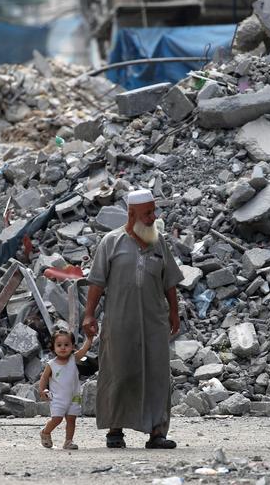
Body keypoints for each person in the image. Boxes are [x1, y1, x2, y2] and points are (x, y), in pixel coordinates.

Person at [82, 188, 184, 449]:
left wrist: (174, 311)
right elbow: (96, 282)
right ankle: (115, 430)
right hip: (120, 321)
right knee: (119, 371)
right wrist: (89, 314)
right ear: (131, 213)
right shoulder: (111, 242)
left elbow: (169, 281)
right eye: (147, 212)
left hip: (154, 321)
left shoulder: (158, 242)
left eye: (153, 211)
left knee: (157, 375)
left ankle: (157, 432)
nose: (153, 217)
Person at [39, 328, 93, 450]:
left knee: (71, 419)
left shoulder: (73, 359)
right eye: (59, 345)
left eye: (66, 345)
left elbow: (84, 350)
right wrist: (42, 390)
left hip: (74, 397)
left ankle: (68, 441)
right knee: (57, 419)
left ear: (72, 346)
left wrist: (89, 339)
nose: (63, 348)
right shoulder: (51, 364)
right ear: (53, 347)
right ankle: (45, 432)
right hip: (58, 398)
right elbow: (44, 378)